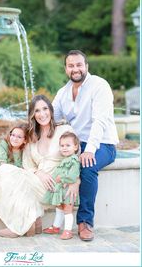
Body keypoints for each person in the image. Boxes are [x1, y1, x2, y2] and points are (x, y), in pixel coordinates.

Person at [0, 94, 75, 238]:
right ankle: (33, 223)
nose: (42, 114)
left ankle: (19, 226)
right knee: (8, 172)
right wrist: (39, 173)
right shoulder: (32, 137)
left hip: (55, 185)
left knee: (8, 173)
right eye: (37, 111)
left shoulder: (64, 130)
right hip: (38, 180)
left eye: (45, 109)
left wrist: (76, 182)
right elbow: (27, 164)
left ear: (51, 110)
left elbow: (75, 157)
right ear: (32, 115)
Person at [52, 49, 118, 241]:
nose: (75, 69)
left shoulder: (99, 85)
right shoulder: (62, 93)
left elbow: (100, 121)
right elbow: (52, 119)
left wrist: (89, 150)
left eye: (79, 65)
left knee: (87, 167)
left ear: (86, 67)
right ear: (66, 69)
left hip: (103, 144)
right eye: (71, 65)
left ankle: (85, 222)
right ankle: (58, 216)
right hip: (78, 144)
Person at [42, 131, 80, 240]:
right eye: (62, 145)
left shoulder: (74, 160)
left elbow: (73, 175)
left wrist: (62, 178)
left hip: (69, 191)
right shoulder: (64, 160)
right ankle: (56, 227)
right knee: (59, 208)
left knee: (68, 210)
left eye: (68, 145)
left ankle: (68, 230)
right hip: (61, 190)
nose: (64, 148)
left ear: (75, 147)